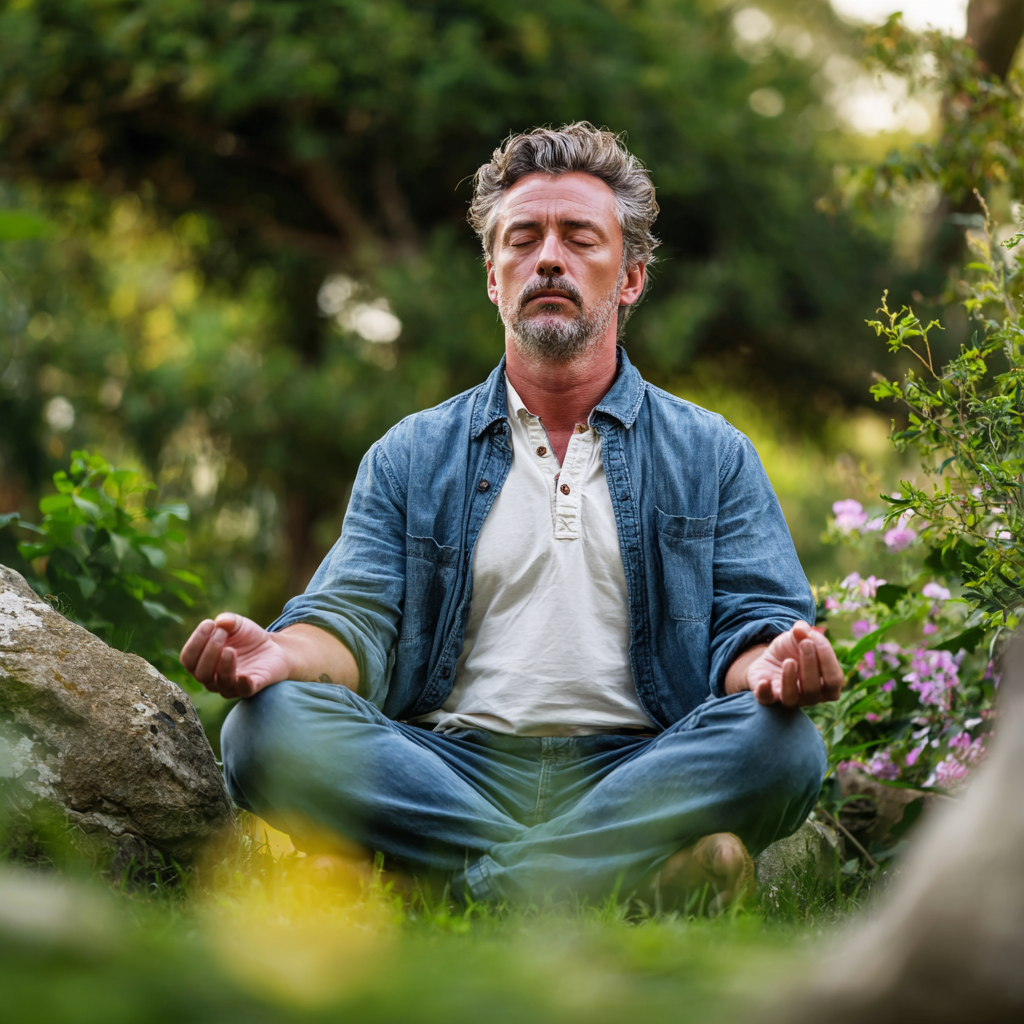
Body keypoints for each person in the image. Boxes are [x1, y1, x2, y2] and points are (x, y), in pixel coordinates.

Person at [180, 123, 843, 908]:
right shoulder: (411, 453)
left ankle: (444, 883)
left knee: (782, 747)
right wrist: (280, 656)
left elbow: (752, 628)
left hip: (639, 765)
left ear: (629, 278)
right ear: (494, 277)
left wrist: (769, 663)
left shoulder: (714, 453)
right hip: (444, 765)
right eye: (523, 239)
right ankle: (612, 882)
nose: (550, 258)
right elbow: (351, 621)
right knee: (266, 726)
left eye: (579, 238)